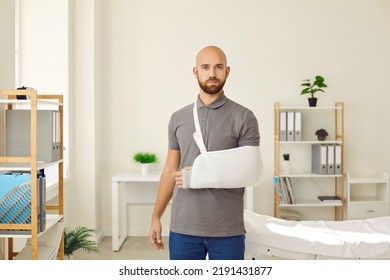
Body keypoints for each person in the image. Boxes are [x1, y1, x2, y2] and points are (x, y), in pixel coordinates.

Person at [148, 45, 260, 260]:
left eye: (218, 67)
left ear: (227, 71)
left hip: (228, 229)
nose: (212, 73)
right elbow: (170, 170)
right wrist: (156, 216)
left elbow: (251, 170)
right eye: (205, 67)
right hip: (183, 227)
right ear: (195, 71)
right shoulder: (178, 118)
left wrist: (201, 172)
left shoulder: (244, 117)